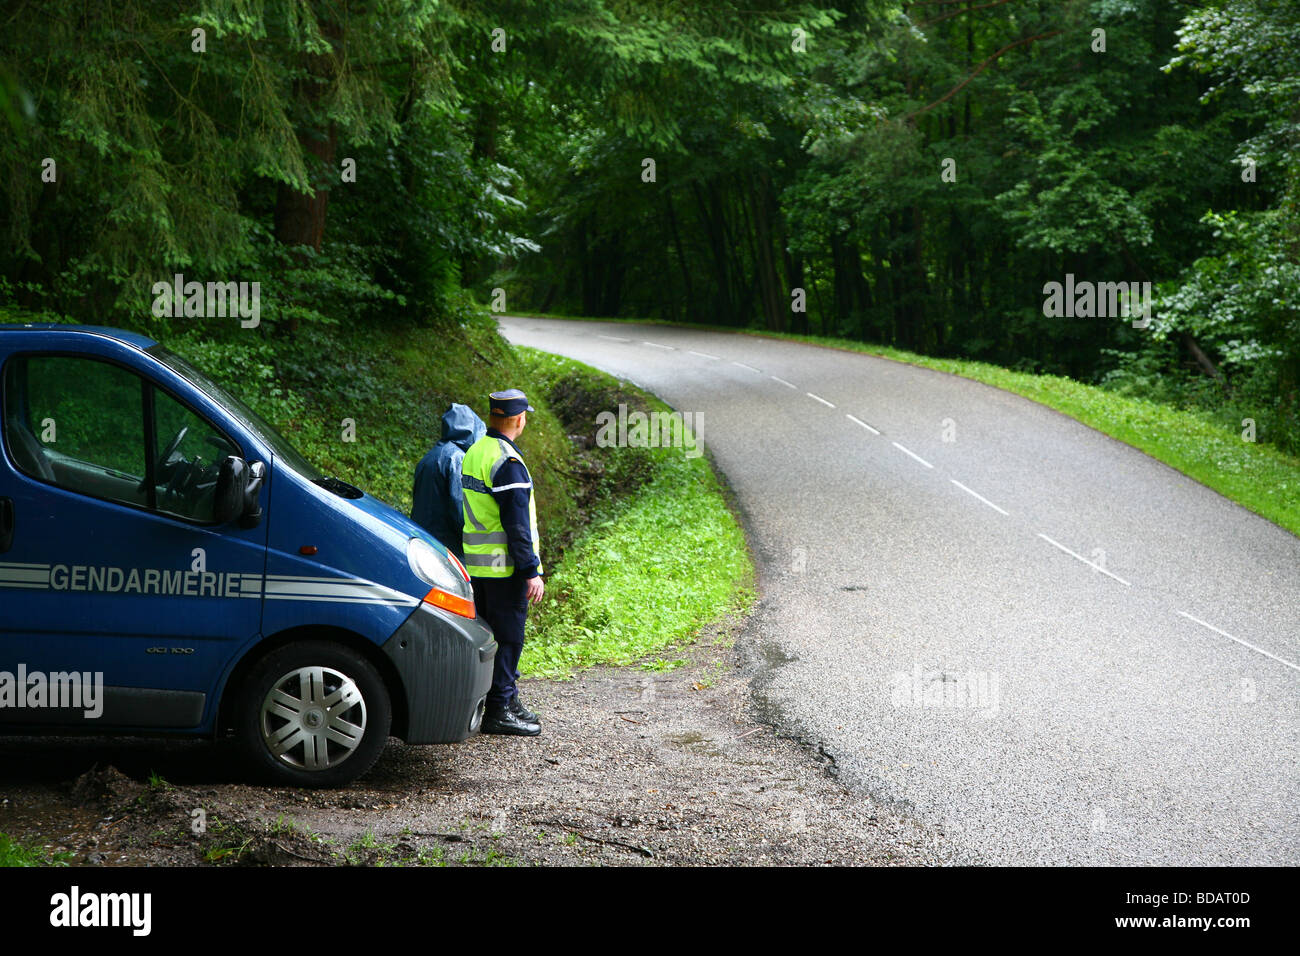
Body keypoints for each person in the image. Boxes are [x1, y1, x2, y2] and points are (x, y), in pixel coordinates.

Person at [460, 389, 546, 736]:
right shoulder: (507, 462)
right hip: (505, 567)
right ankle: (499, 709)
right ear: (518, 419)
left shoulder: (475, 451)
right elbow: (516, 525)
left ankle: (505, 700)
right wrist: (530, 570)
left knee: (490, 637)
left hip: (479, 566)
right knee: (509, 638)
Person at [411, 403, 485, 561]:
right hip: (446, 549)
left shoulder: (431, 456)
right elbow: (461, 510)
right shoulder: (457, 459)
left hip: (421, 540)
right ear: (472, 430)